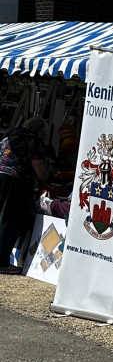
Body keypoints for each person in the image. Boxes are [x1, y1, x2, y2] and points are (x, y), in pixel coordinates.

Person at [0, 116, 49, 273]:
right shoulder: (31, 138)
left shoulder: (12, 133)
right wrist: (45, 178)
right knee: (9, 219)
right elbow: (38, 165)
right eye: (43, 134)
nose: (43, 138)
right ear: (37, 131)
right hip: (13, 179)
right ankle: (2, 262)